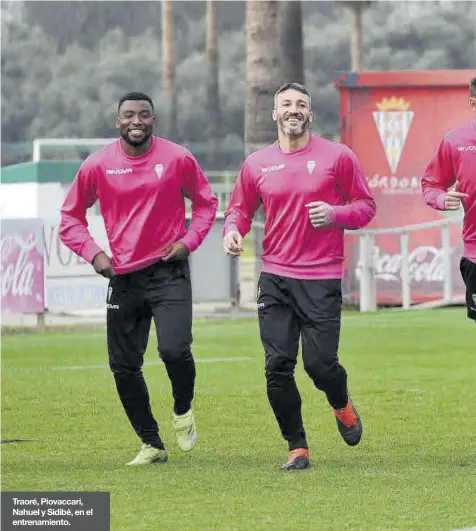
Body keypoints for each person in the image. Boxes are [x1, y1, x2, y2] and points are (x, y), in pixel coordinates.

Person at [223, 82, 376, 470]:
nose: (293, 110)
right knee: (277, 365)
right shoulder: (256, 164)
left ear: (310, 114)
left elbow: (365, 207)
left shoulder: (337, 156)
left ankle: (341, 404)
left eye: (301, 105)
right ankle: (297, 447)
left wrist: (335, 213)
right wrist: (232, 230)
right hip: (275, 278)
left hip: (321, 279)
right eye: (286, 105)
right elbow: (239, 209)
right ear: (274, 114)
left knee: (320, 365)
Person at [59, 92, 218, 466]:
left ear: (153, 120)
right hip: (124, 278)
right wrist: (95, 254)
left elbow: (207, 203)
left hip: (168, 270)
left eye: (144, 115)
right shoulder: (97, 165)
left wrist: (188, 241)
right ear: (117, 122)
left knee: (174, 350)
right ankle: (151, 443)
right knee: (124, 365)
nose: (136, 121)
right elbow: (70, 219)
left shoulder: (177, 158)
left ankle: (182, 410)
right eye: (128, 115)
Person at [421, 76, 476, 323]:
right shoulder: (456, 141)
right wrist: (443, 199)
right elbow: (430, 185)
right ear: (473, 104)